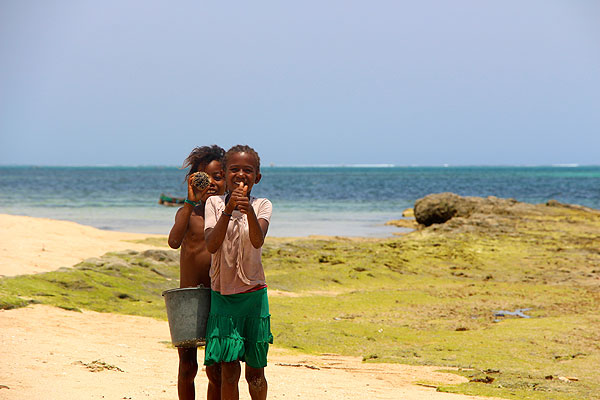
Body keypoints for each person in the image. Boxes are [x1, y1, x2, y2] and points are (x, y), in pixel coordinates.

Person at [203, 145, 273, 400]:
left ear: (257, 177)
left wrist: (248, 211)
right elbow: (211, 243)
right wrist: (228, 209)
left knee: (255, 372)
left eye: (248, 170)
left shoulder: (263, 205)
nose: (241, 175)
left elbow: (257, 240)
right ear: (224, 173)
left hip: (253, 297)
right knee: (228, 371)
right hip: (223, 297)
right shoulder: (213, 203)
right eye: (234, 170)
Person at [168, 145, 226, 400]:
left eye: (219, 177)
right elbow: (173, 241)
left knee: (215, 369)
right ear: (195, 180)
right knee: (187, 366)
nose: (212, 183)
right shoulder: (189, 213)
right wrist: (190, 201)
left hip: (219, 295)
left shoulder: (228, 216)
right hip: (188, 298)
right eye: (205, 178)